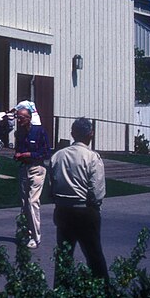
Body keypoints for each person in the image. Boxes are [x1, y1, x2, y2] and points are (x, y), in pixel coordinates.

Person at [49, 117, 109, 283]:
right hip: (85, 210)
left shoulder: (58, 156)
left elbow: (51, 186)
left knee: (64, 255)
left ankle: (61, 290)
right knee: (94, 254)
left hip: (62, 210)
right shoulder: (92, 157)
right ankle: (103, 290)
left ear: (72, 134)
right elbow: (97, 191)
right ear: (91, 134)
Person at [13, 103, 51, 249]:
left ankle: (36, 236)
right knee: (24, 203)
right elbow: (19, 149)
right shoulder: (20, 133)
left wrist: (30, 154)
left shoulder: (39, 131)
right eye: (17, 117)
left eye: (21, 117)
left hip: (37, 168)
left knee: (32, 201)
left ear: (29, 118)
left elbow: (46, 152)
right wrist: (18, 155)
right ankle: (26, 232)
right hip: (24, 168)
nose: (18, 120)